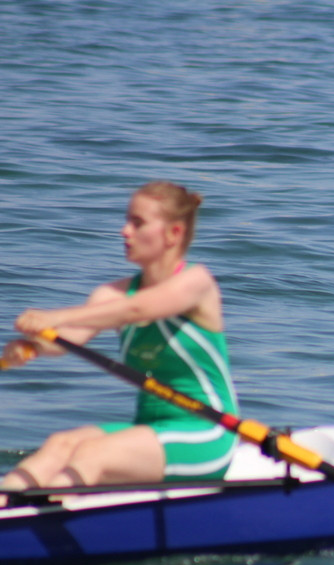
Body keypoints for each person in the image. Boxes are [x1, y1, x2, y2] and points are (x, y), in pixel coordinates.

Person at [0, 181, 239, 503]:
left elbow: (137, 308)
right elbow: (67, 341)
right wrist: (30, 347)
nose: (124, 231)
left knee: (93, 454)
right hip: (150, 429)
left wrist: (55, 316)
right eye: (127, 220)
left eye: (137, 223)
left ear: (173, 234)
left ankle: (37, 524)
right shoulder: (109, 295)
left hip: (207, 433)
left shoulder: (197, 283)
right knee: (61, 443)